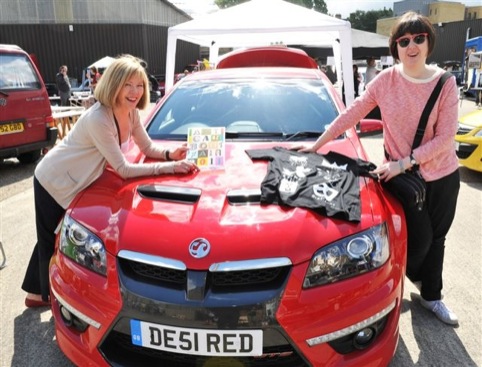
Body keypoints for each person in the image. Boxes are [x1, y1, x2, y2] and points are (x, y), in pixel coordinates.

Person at [299, 12, 460, 325]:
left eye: (418, 38)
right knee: (419, 241)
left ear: (428, 42)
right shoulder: (386, 81)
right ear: (395, 47)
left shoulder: (445, 83)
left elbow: (445, 138)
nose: (411, 45)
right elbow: (352, 113)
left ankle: (432, 298)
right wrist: (317, 145)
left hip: (441, 174)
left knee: (438, 239)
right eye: (404, 41)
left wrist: (405, 162)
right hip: (401, 178)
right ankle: (399, 288)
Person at [22, 54, 198, 308]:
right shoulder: (98, 118)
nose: (135, 92)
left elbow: (147, 147)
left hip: (79, 180)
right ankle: (42, 296)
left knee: (53, 233)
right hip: (54, 178)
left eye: (139, 85)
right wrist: (172, 167)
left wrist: (172, 153)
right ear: (114, 84)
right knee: (50, 237)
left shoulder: (132, 113)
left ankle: (34, 292)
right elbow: (124, 169)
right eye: (128, 85)